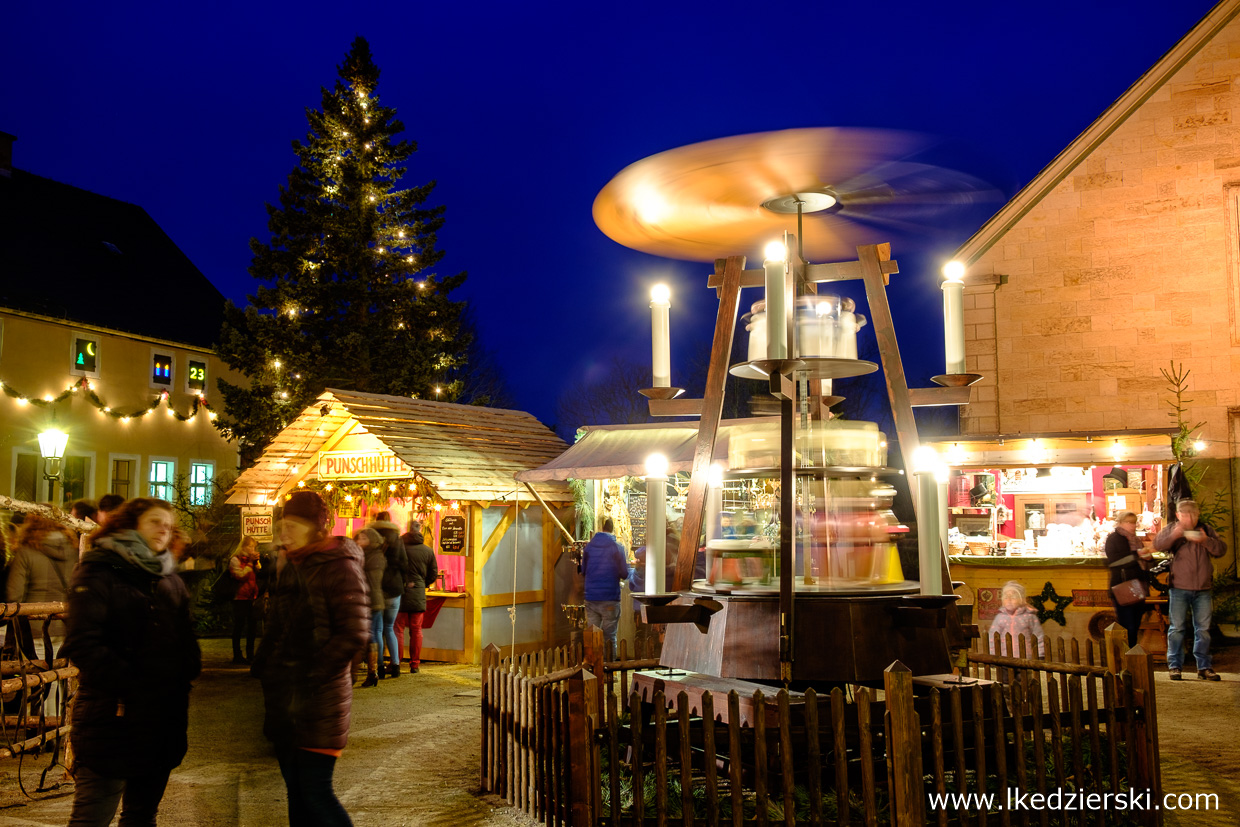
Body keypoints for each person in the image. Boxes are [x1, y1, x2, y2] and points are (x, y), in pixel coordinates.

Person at [62, 498, 200, 827]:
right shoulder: (99, 571)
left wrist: (184, 673)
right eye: (155, 521)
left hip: (160, 721)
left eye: (168, 524)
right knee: (92, 817)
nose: (164, 529)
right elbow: (83, 643)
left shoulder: (169, 579)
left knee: (141, 817)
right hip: (112, 717)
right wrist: (136, 685)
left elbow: (186, 641)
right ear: (131, 525)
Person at [251, 490, 368, 827]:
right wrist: (264, 666)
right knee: (296, 791)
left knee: (315, 791)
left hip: (319, 701)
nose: (284, 532)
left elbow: (353, 634)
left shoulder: (340, 566)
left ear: (316, 527)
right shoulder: (295, 564)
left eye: (293, 525)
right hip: (285, 699)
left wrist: (310, 676)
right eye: (282, 524)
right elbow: (278, 623)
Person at [1154, 499, 1226, 681]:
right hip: (1179, 588)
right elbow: (1157, 545)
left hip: (1203, 589)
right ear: (1178, 515)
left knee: (1203, 629)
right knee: (1177, 628)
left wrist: (1205, 540)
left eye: (1192, 514)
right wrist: (1175, 535)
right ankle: (1175, 666)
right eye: (1184, 515)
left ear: (1198, 514)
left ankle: (1204, 667)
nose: (1189, 518)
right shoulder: (1172, 529)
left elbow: (1221, 549)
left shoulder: (1206, 530)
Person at [5, 513, 76, 661]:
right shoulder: (73, 550)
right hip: (66, 624)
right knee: (60, 672)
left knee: (40, 673)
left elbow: (14, 595)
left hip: (34, 627)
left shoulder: (26, 552)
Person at [365, 512, 408, 679]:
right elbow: (404, 564)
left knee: (377, 629)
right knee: (390, 628)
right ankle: (396, 664)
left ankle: (380, 666)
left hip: (377, 588)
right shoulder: (397, 539)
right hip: (394, 589)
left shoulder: (371, 539)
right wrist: (402, 582)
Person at [581, 518, 629, 656]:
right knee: (609, 636)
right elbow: (624, 574)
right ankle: (609, 671)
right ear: (613, 529)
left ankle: (593, 669)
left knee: (592, 635)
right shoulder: (617, 547)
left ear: (602, 528)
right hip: (610, 598)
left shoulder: (589, 547)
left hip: (591, 598)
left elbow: (583, 570)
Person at [395, 519, 438, 674]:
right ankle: (415, 664)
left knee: (397, 629)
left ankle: (396, 662)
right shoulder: (427, 551)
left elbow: (392, 569)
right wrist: (422, 583)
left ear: (407, 530)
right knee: (416, 630)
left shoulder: (399, 548)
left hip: (400, 591)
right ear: (420, 531)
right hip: (418, 592)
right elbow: (434, 573)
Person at [1104, 510, 1152, 648]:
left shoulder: (1136, 540)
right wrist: (1138, 555)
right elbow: (1114, 561)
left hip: (1138, 586)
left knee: (1135, 624)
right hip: (1122, 586)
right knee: (1127, 625)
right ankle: (1125, 657)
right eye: (1128, 522)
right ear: (1120, 523)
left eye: (1134, 522)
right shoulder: (1114, 538)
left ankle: (1132, 656)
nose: (1132, 525)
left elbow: (1142, 560)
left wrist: (1148, 557)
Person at [355, 526, 387, 687]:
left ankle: (372, 671)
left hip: (370, 600)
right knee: (374, 634)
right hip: (375, 600)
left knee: (370, 636)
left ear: (371, 540)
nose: (359, 541)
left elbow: (365, 580)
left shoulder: (371, 557)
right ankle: (373, 670)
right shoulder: (375, 555)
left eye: (363, 538)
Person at [988, 581, 1046, 657]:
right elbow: (992, 637)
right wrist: (993, 655)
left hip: (1026, 658)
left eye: (1013, 597)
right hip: (1004, 659)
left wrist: (1040, 654)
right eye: (1005, 597)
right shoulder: (1000, 618)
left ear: (1021, 599)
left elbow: (1038, 636)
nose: (1009, 599)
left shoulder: (1029, 617)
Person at [229, 536, 261, 664]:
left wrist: (255, 562)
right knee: (239, 626)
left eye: (253, 547)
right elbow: (240, 576)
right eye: (249, 546)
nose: (251, 549)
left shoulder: (251, 560)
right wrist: (249, 563)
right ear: (243, 547)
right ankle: (237, 655)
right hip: (239, 598)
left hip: (251, 597)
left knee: (252, 627)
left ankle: (250, 654)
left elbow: (259, 571)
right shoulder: (235, 560)